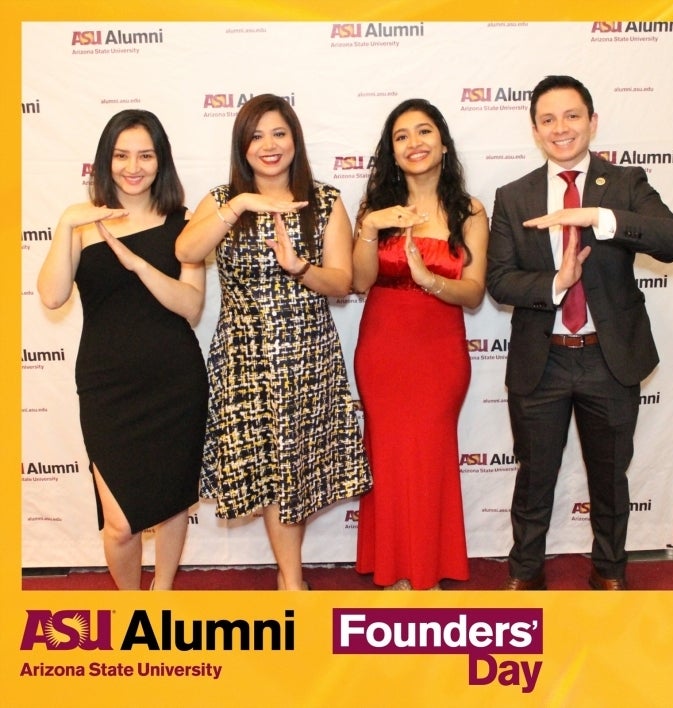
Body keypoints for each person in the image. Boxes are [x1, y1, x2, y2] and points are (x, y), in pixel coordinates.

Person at [486, 75, 673, 590]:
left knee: (610, 482)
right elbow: (499, 281)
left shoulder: (625, 185)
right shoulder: (513, 196)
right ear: (535, 130)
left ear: (593, 122)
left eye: (572, 116)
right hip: (542, 360)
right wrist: (556, 282)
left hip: (609, 359)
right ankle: (524, 577)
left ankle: (610, 576)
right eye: (548, 119)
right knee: (533, 480)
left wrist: (597, 216)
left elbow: (672, 240)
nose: (561, 128)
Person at [175, 93, 371, 591]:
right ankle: (292, 578)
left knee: (293, 469)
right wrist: (240, 204)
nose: (269, 145)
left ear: (295, 139)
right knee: (263, 467)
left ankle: (291, 580)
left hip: (307, 357)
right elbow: (186, 249)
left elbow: (344, 281)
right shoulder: (222, 201)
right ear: (242, 146)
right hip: (243, 358)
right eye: (256, 135)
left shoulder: (323, 201)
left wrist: (299, 267)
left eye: (279, 133)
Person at [37, 109, 208, 590]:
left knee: (173, 499)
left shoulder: (186, 224)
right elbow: (51, 296)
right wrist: (67, 223)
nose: (133, 167)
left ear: (162, 161)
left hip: (174, 382)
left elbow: (191, 307)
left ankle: (162, 592)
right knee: (119, 523)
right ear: (104, 160)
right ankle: (131, 604)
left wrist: (139, 266)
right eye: (121, 155)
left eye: (146, 155)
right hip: (106, 384)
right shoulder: (83, 223)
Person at [352, 98, 488, 590]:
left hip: (439, 350)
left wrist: (427, 278)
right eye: (402, 135)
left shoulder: (469, 210)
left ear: (444, 144)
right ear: (392, 150)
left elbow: (473, 293)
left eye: (424, 131)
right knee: (387, 457)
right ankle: (392, 570)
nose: (415, 143)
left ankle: (428, 568)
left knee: (429, 456)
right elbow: (360, 282)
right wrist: (369, 230)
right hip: (383, 346)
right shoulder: (376, 210)